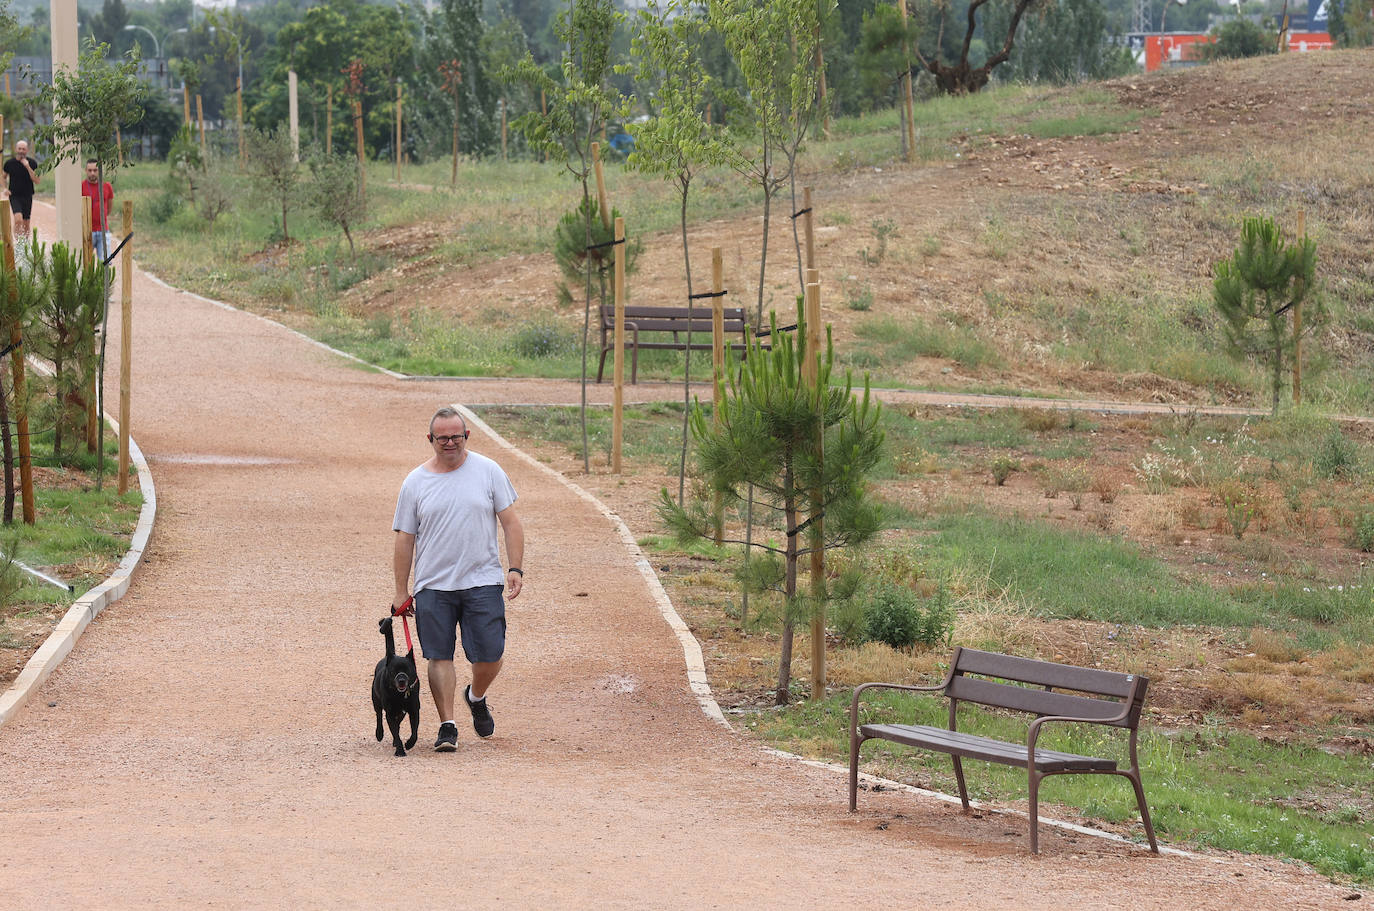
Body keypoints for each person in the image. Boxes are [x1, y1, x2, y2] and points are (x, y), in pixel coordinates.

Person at [392, 406, 525, 752]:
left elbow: (511, 522)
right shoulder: (415, 482)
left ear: (467, 436)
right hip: (433, 585)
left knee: (490, 654)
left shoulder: (488, 471)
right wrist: (400, 590)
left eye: (456, 436)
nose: (450, 443)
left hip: (482, 580)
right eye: (442, 438)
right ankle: (447, 725)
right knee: (439, 655)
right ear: (430, 439)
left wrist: (515, 568)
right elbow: (405, 538)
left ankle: (476, 695)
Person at [2, 140, 40, 241]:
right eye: (19, 149)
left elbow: (37, 180)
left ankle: (25, 244)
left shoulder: (32, 163)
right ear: (16, 149)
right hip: (14, 195)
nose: (21, 151)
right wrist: (5, 188)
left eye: (23, 149)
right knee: (18, 219)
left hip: (27, 195)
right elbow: (3, 177)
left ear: (27, 150)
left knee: (26, 222)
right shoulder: (9, 163)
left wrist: (27, 166)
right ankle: (18, 242)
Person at [81, 159, 115, 262]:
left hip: (103, 230)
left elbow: (109, 208)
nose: (92, 173)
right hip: (87, 231)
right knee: (86, 263)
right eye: (90, 170)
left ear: (99, 170)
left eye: (95, 170)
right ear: (86, 171)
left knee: (105, 262)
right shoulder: (81, 186)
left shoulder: (107, 186)